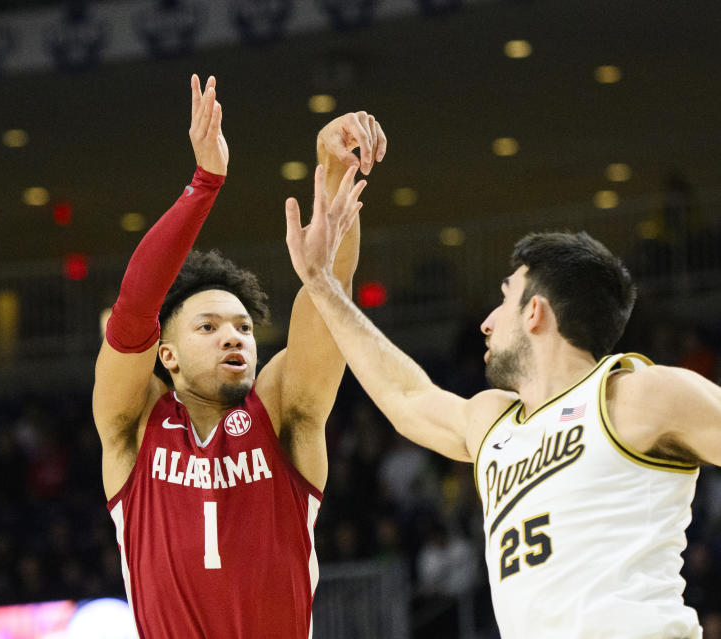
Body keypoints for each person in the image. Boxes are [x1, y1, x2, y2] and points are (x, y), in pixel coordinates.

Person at [285, 193, 721, 637]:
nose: (486, 322)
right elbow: (405, 396)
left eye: (504, 297)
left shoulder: (637, 394)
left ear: (535, 311)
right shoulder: (492, 421)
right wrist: (321, 285)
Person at [92, 74, 386, 638]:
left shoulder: (281, 413)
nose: (235, 337)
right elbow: (133, 313)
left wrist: (334, 166)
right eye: (209, 326)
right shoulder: (133, 424)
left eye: (245, 327)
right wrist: (204, 183)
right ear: (168, 354)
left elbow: (331, 290)